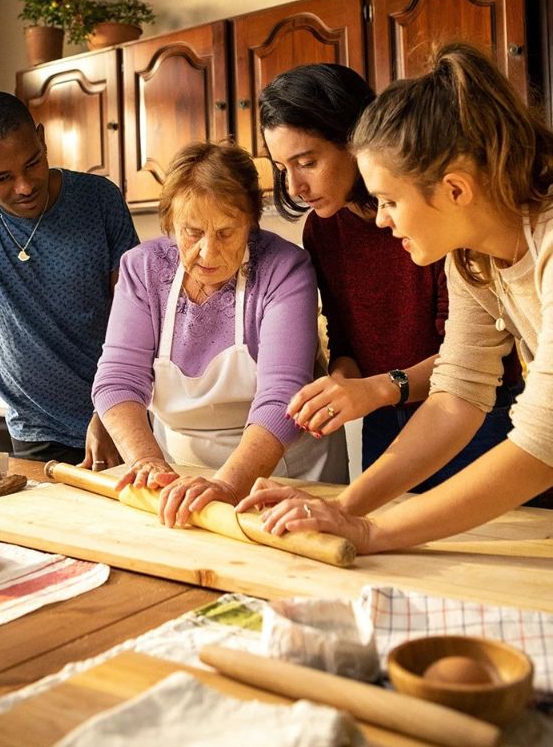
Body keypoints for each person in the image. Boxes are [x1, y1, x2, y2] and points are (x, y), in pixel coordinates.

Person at [237, 43, 553, 552]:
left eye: (389, 200)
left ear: (455, 190)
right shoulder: (469, 257)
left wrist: (368, 531)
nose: (381, 219)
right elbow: (459, 391)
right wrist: (344, 507)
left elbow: (544, 440)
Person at [92, 141, 348, 528]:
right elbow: (118, 379)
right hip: (177, 475)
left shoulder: (284, 269)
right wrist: (147, 462)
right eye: (191, 233)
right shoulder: (142, 269)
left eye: (227, 232)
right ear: (170, 224)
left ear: (251, 222)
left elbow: (283, 395)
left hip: (284, 474)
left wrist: (228, 483)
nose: (208, 253)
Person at [0, 91, 139, 467]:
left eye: (33, 162)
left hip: (119, 415)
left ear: (41, 138)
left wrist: (112, 408)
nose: (24, 186)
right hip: (36, 429)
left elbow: (135, 320)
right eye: (2, 178)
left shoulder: (99, 199)